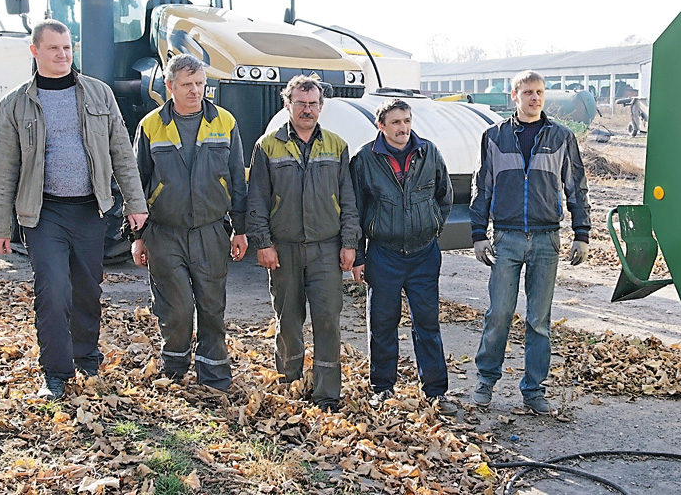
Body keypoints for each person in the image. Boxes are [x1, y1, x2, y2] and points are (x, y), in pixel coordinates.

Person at [0, 19, 148, 400]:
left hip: (91, 211)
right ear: (35, 52)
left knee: (88, 290)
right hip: (44, 214)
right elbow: (4, 169)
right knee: (53, 290)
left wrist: (135, 204)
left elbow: (122, 153)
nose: (62, 54)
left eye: (67, 48)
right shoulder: (15, 104)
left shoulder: (99, 94)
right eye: (54, 48)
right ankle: (55, 373)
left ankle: (86, 357)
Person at [469, 69, 591, 414]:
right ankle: (485, 382)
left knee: (539, 319)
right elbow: (484, 187)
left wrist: (581, 234)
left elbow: (576, 187)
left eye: (539, 92)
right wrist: (479, 235)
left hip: (545, 238)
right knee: (499, 314)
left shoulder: (562, 137)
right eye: (527, 92)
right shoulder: (494, 136)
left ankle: (534, 390)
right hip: (506, 237)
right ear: (514, 96)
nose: (534, 98)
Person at [130, 54, 247, 391]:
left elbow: (237, 179)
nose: (195, 91)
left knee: (212, 306)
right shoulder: (151, 125)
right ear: (170, 87)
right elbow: (137, 181)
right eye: (187, 85)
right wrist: (137, 236)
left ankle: (214, 377)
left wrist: (240, 229)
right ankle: (175, 369)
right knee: (177, 307)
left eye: (200, 84)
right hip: (164, 232)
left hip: (211, 230)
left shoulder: (225, 122)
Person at [246, 75, 360, 412]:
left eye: (312, 104)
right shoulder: (267, 146)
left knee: (328, 320)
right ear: (287, 105)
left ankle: (327, 395)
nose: (307, 109)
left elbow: (349, 200)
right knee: (288, 320)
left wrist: (349, 243)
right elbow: (257, 200)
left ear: (321, 107)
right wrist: (263, 243)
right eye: (300, 103)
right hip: (284, 249)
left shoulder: (337, 146)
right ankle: (290, 385)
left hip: (326, 247)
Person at [350, 99, 458, 416]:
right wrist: (358, 256)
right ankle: (382, 389)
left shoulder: (429, 153)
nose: (403, 128)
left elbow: (445, 197)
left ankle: (436, 392)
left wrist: (432, 227)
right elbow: (354, 211)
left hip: (424, 254)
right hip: (384, 254)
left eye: (407, 120)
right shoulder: (365, 160)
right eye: (396, 122)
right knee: (382, 324)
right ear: (380, 126)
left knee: (428, 324)